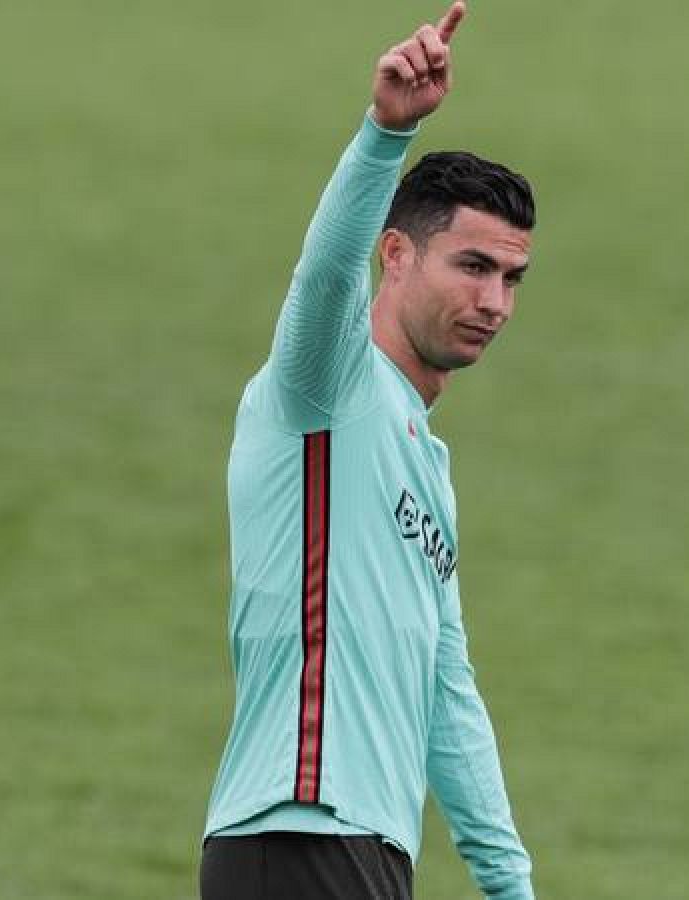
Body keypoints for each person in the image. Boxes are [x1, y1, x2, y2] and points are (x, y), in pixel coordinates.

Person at [199, 4, 536, 897]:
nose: (495, 302)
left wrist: (510, 883)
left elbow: (448, 693)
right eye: (473, 266)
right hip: (299, 827)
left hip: (367, 851)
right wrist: (387, 135)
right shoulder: (326, 384)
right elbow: (323, 276)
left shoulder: (429, 467)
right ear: (396, 254)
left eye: (512, 278)